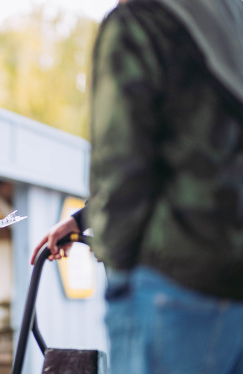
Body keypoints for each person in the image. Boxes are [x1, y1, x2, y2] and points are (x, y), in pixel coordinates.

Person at [38, 0, 243, 373]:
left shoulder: (141, 22)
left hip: (177, 286)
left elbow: (122, 169)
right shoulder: (229, 18)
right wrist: (83, 220)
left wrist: (119, 267)